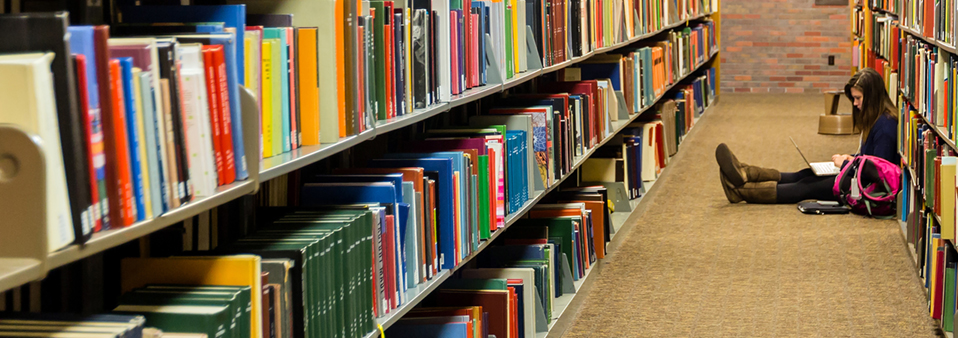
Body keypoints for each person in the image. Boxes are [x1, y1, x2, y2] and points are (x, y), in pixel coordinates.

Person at [715, 67, 900, 204]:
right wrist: (850, 158)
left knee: (806, 186)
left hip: (863, 188)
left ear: (872, 97)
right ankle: (745, 172)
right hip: (856, 175)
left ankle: (740, 191)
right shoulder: (876, 118)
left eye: (858, 98)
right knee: (805, 174)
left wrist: (846, 163)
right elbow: (869, 160)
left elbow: (878, 174)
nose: (855, 104)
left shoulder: (885, 127)